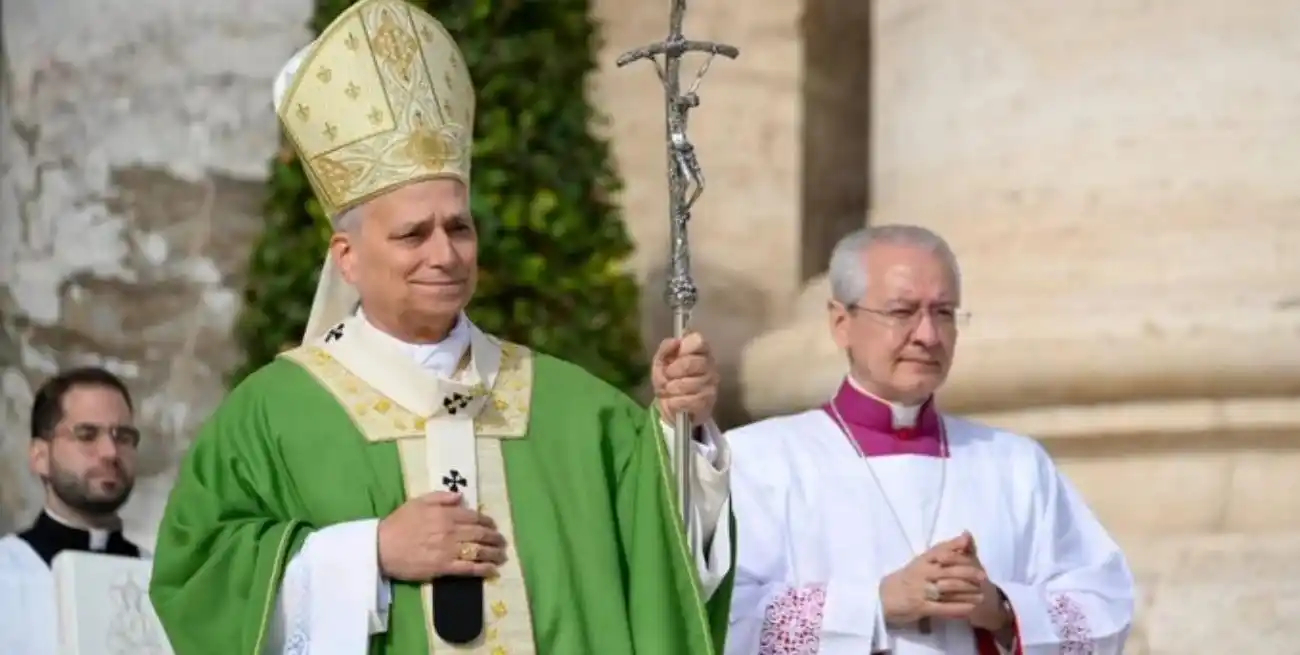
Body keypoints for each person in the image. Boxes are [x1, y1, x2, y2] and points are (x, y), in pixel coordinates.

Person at [147, 1, 735, 653]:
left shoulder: (578, 410)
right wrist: (368, 552)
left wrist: (683, 431)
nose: (444, 253)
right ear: (348, 257)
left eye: (459, 226)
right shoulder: (272, 414)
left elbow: (666, 566)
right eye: (412, 234)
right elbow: (197, 581)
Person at [724, 224, 1135, 655]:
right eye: (902, 312)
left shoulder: (1016, 465)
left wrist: (1000, 608)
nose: (928, 335)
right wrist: (877, 604)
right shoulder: (758, 460)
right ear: (841, 322)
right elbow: (718, 616)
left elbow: (1105, 607)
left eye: (943, 312)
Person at [0, 366, 144, 655]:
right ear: (40, 456)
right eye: (87, 434)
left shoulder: (166, 578)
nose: (110, 452)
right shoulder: (5, 572)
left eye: (123, 436)